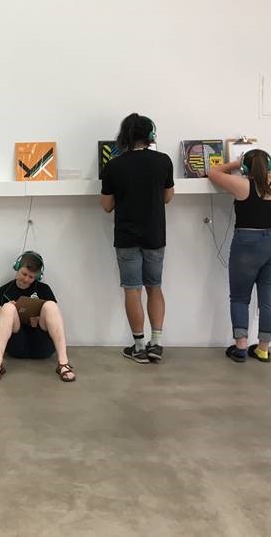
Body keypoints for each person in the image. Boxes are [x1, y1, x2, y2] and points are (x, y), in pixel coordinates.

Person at [100, 113, 174, 363]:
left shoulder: (113, 165)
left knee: (132, 290)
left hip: (127, 237)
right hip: (155, 234)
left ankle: (139, 346)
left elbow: (107, 206)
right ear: (151, 135)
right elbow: (168, 197)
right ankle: (157, 343)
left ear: (124, 136)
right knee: (155, 286)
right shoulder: (163, 161)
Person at [208, 150, 271, 363]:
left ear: (246, 168)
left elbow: (213, 172)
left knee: (239, 297)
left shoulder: (242, 186)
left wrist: (236, 162)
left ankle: (241, 349)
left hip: (248, 244)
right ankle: (263, 350)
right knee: (270, 298)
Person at [0, 251, 76, 383]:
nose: (26, 279)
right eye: (24, 274)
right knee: (8, 308)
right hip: (16, 345)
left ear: (38, 277)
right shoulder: (4, 290)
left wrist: (37, 318)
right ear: (17, 268)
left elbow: (54, 317)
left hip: (42, 346)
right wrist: (11, 311)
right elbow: (0, 321)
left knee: (50, 305)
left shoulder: (44, 289)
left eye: (31, 277)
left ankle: (63, 363)